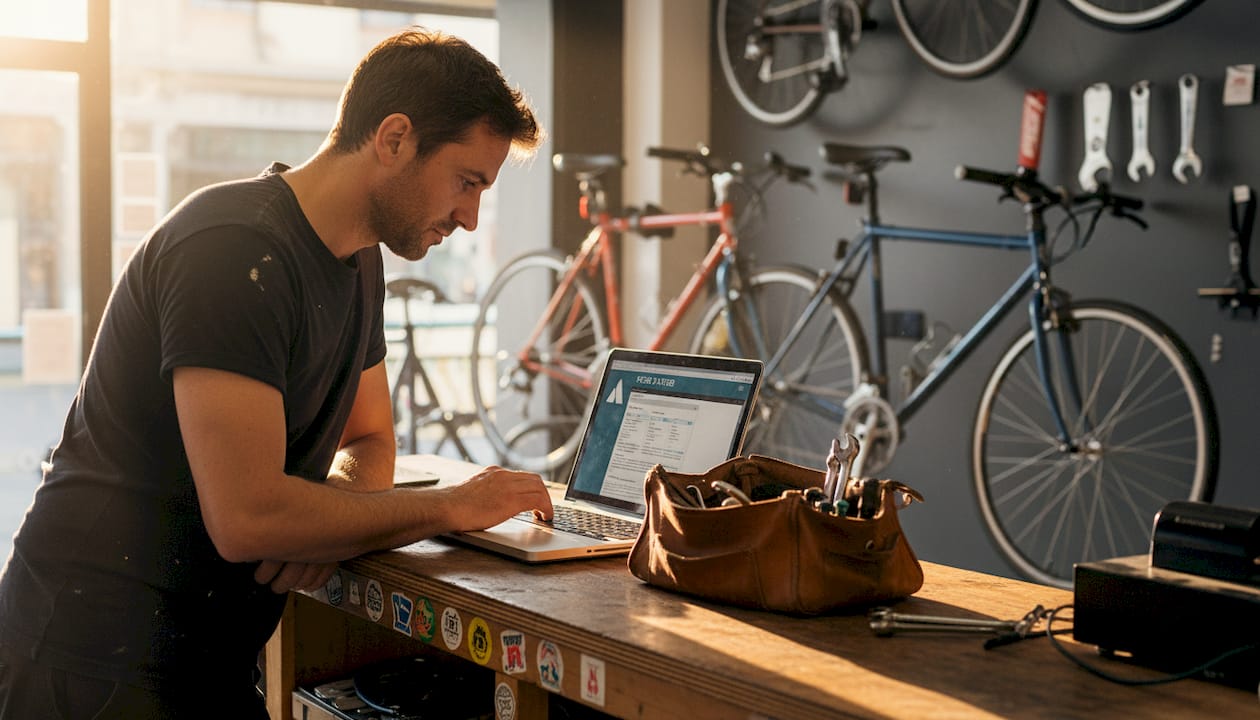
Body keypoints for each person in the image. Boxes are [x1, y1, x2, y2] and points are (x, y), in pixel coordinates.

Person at [0, 27, 553, 719]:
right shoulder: (233, 250)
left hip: (203, 659)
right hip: (88, 657)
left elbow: (371, 438)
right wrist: (454, 505)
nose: (470, 218)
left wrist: (327, 518)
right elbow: (248, 518)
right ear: (393, 138)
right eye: (467, 182)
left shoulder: (362, 262)